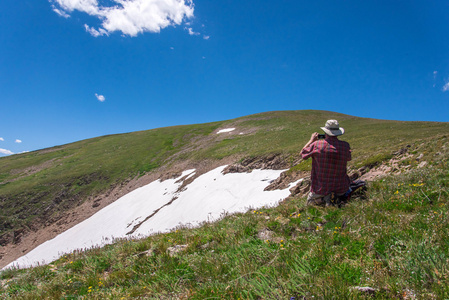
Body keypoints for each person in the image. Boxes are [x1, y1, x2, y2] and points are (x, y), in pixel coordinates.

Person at [300, 120, 352, 206]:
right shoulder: (345, 146)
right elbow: (349, 158)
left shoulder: (317, 144)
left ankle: (324, 199)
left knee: (310, 204)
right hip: (341, 189)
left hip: (320, 190)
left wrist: (311, 140)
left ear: (325, 132)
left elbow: (302, 154)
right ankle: (334, 199)